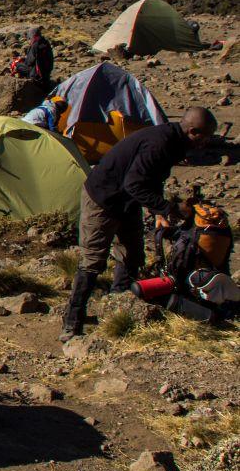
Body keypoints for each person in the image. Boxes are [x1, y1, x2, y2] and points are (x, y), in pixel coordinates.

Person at [60, 107, 217, 342]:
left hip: (127, 200)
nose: (207, 142)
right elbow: (134, 183)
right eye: (205, 137)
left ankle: (118, 307)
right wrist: (168, 209)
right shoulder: (161, 143)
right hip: (103, 197)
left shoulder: (175, 141)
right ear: (193, 131)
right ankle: (72, 323)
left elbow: (149, 178)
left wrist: (157, 211)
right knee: (92, 261)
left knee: (132, 255)